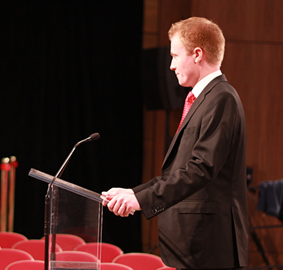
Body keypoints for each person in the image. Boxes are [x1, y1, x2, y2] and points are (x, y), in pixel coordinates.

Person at [101, 17, 248, 269]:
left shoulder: (222, 98)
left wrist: (143, 201)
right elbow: (179, 170)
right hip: (190, 245)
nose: (170, 65)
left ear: (197, 54)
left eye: (175, 55)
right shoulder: (203, 99)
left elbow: (200, 169)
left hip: (207, 247)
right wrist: (135, 194)